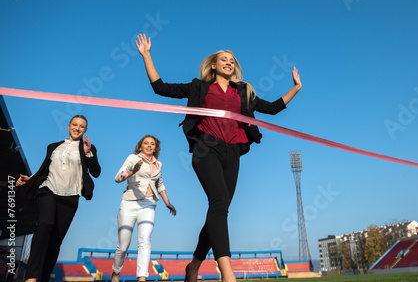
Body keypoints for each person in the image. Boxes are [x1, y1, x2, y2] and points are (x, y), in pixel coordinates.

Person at [135, 34, 302, 282]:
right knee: (219, 201)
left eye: (232, 61)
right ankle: (227, 272)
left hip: (233, 152)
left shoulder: (243, 91)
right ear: (213, 65)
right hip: (206, 148)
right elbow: (161, 88)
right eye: (224, 60)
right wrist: (147, 55)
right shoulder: (199, 87)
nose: (229, 63)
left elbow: (273, 108)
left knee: (220, 208)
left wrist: (296, 87)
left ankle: (194, 265)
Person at [16, 115, 101, 282]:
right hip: (48, 189)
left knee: (55, 241)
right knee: (45, 223)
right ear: (68, 126)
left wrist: (89, 153)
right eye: (75, 125)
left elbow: (96, 173)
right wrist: (31, 179)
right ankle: (31, 276)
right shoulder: (53, 146)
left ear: (85, 130)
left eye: (82, 126)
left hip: (71, 196)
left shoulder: (87, 148)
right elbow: (46, 169)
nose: (77, 128)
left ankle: (43, 278)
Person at [111, 135, 176, 282]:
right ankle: (116, 272)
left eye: (152, 144)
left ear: (155, 148)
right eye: (146, 143)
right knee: (123, 245)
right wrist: (130, 173)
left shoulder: (159, 164)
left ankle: (142, 278)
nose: (149, 146)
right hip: (129, 203)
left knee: (145, 240)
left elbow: (159, 184)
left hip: (148, 204)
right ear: (140, 146)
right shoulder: (133, 158)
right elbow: (117, 178)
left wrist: (167, 202)